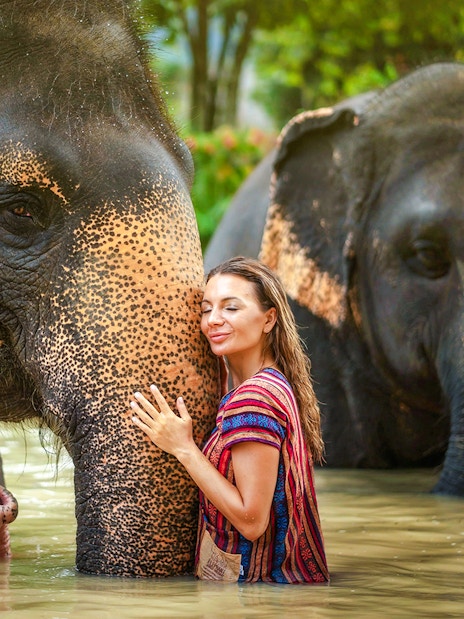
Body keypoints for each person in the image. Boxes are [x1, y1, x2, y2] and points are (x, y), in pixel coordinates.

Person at [130, 256, 329, 584]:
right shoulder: (274, 383)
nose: (213, 320)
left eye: (231, 308)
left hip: (263, 595)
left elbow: (252, 522)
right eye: (207, 309)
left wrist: (184, 449)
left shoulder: (254, 397)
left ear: (268, 319)